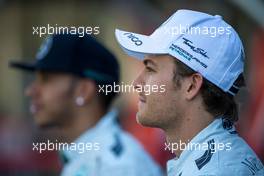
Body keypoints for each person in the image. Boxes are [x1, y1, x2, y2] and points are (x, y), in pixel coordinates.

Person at [115, 9, 264, 175]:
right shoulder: (211, 160)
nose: (137, 83)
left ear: (192, 86)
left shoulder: (216, 170)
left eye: (150, 69)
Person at [10, 33, 162, 176]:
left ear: (84, 90)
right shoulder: (94, 158)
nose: (30, 91)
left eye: (46, 79)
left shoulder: (115, 167)